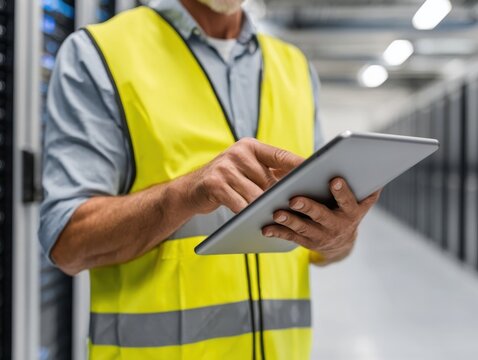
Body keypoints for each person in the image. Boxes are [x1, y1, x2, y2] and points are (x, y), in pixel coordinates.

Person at [39, 0, 380, 358]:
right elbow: (68, 244)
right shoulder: (100, 54)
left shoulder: (294, 68)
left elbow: (320, 247)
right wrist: (184, 194)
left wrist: (339, 237)